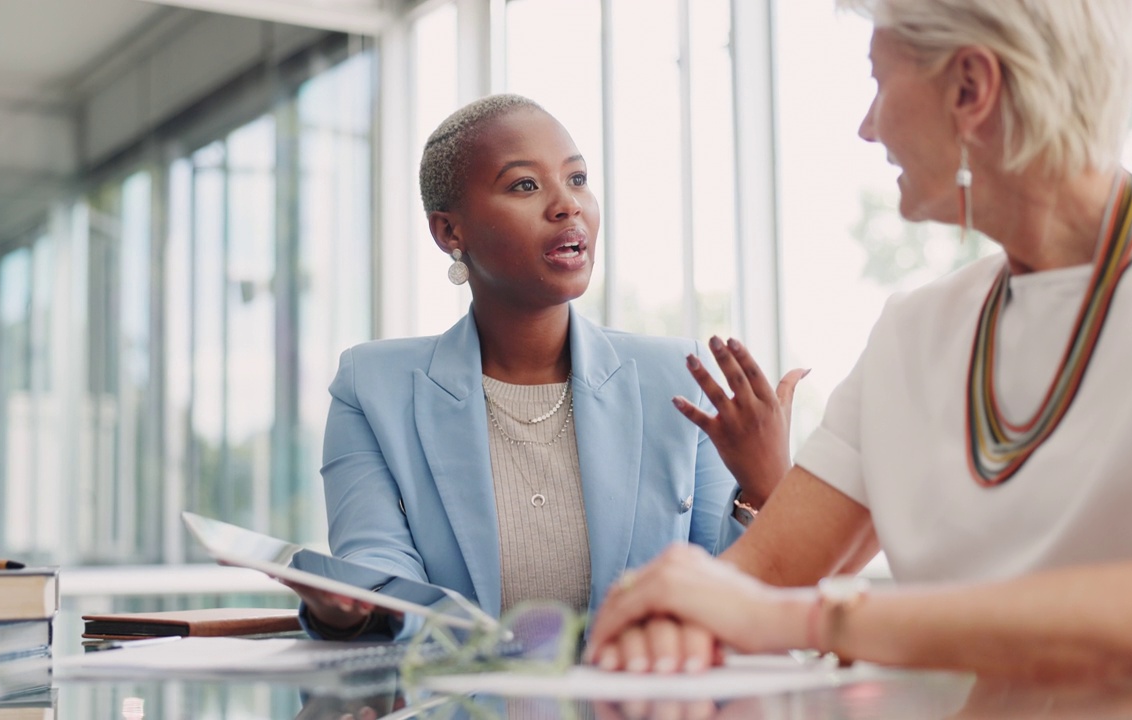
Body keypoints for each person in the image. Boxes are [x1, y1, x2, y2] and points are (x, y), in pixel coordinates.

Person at [586, 0, 1132, 680]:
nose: (867, 127)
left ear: (970, 89)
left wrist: (808, 619)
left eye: (879, 81)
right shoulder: (912, 333)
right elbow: (759, 578)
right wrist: (671, 617)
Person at [290, 94, 804, 642]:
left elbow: (728, 590)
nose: (568, 205)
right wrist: (353, 603)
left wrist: (766, 484)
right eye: (525, 186)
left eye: (578, 178)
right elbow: (378, 560)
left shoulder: (678, 379)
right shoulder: (371, 388)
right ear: (449, 232)